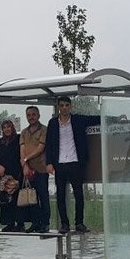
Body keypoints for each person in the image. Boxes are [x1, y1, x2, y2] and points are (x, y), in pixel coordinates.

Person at [45, 95, 100, 234]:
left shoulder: (78, 120)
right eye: (62, 105)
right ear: (58, 107)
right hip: (60, 163)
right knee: (61, 195)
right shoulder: (52, 123)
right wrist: (49, 163)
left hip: (75, 162)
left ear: (70, 106)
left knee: (78, 194)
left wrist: (115, 117)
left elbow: (96, 119)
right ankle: (64, 223)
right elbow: (49, 144)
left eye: (67, 105)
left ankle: (79, 223)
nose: (64, 108)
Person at [19, 105, 49, 233]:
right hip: (28, 171)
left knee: (43, 196)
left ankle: (45, 223)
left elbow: (40, 148)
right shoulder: (24, 132)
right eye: (29, 115)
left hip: (41, 169)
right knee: (32, 197)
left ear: (38, 115)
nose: (31, 117)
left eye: (33, 114)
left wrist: (26, 158)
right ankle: (35, 223)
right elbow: (22, 150)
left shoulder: (44, 130)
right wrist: (25, 165)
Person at [0, 118, 25, 232]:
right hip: (5, 175)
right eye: (4, 127)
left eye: (8, 127)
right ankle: (9, 223)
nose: (7, 129)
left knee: (18, 199)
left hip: (17, 173)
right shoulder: (1, 142)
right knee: (6, 199)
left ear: (12, 127)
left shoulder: (18, 139)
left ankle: (20, 223)